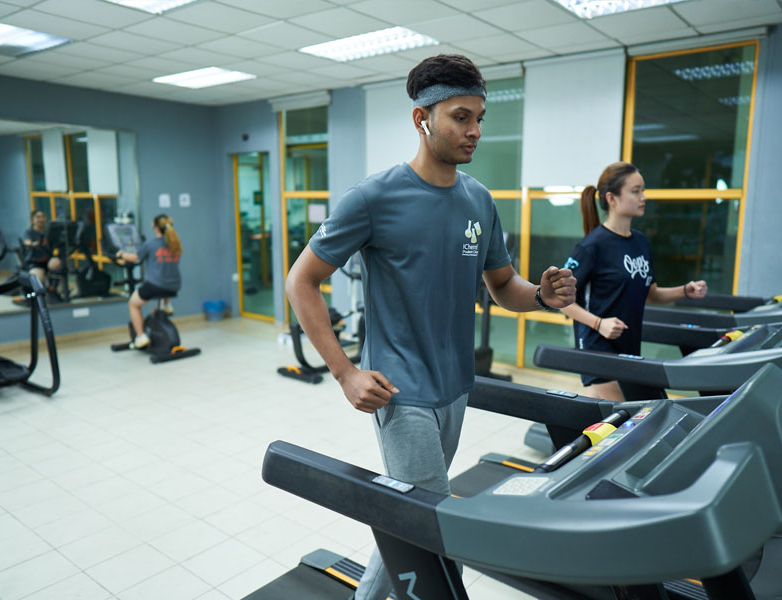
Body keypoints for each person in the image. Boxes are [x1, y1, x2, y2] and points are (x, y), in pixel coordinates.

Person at [284, 54, 576, 600]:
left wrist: (540, 295)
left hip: (455, 388)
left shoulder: (478, 199)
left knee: (408, 517)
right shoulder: (373, 197)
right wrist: (345, 372)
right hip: (400, 392)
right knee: (433, 526)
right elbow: (301, 280)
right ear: (422, 119)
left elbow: (502, 284)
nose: (475, 131)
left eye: (479, 118)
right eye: (461, 117)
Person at [560, 161, 707, 401]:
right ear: (612, 198)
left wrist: (685, 291)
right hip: (597, 347)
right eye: (635, 191)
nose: (643, 197)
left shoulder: (641, 242)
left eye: (643, 190)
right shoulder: (591, 246)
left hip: (629, 347)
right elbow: (561, 301)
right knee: (623, 418)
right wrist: (599, 323)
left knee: (631, 417)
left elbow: (652, 294)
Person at [115, 214, 182, 349]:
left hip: (156, 286)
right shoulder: (175, 243)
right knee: (163, 279)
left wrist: (122, 254)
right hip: (174, 285)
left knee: (133, 304)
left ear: (156, 228)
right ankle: (166, 304)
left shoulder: (150, 244)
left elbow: (134, 257)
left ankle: (141, 337)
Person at [22, 210, 62, 285]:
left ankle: (54, 288)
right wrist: (33, 244)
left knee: (58, 263)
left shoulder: (49, 232)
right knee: (38, 280)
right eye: (38, 217)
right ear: (32, 220)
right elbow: (26, 242)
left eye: (43, 217)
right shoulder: (29, 232)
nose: (41, 219)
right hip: (35, 262)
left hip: (48, 260)